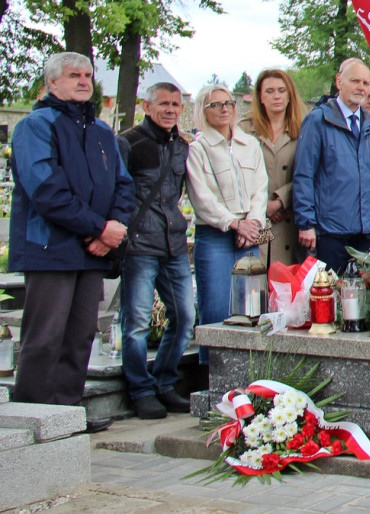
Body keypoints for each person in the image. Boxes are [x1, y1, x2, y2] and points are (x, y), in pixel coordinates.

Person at [9, 52, 134, 433]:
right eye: (73, 75)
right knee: (45, 336)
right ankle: (32, 417)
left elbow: (124, 186)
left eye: (87, 75)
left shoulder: (100, 131)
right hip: (50, 248)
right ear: (51, 83)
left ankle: (66, 414)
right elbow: (46, 190)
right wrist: (99, 229)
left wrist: (115, 227)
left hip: (92, 251)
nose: (83, 81)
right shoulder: (35, 125)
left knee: (80, 334)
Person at [117, 82, 194, 419]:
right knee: (135, 322)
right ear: (146, 106)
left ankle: (164, 381)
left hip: (173, 242)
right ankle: (140, 389)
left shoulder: (182, 146)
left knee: (184, 316)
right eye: (163, 104)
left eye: (176, 104)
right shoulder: (128, 143)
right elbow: (117, 192)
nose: (170, 110)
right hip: (139, 244)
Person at [186, 84, 268, 363]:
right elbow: (201, 196)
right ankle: (212, 372)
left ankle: (248, 370)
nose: (224, 109)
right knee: (216, 307)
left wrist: (253, 223)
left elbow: (261, 187)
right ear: (203, 110)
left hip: (250, 233)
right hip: (216, 234)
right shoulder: (198, 148)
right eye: (215, 105)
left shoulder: (250, 144)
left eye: (228, 103)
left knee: (251, 305)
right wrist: (233, 223)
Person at [293, 60, 370, 273]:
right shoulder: (318, 120)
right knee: (330, 298)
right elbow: (304, 174)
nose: (360, 87)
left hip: (365, 232)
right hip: (330, 232)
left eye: (365, 82)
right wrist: (306, 223)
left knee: (364, 300)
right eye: (355, 81)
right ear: (339, 81)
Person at [238, 69, 307, 267]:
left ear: (289, 95)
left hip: (289, 218)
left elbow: (311, 173)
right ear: (259, 96)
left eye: (281, 90)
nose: (276, 96)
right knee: (255, 284)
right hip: (254, 218)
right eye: (269, 91)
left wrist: (279, 201)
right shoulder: (244, 129)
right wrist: (262, 206)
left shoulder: (304, 128)